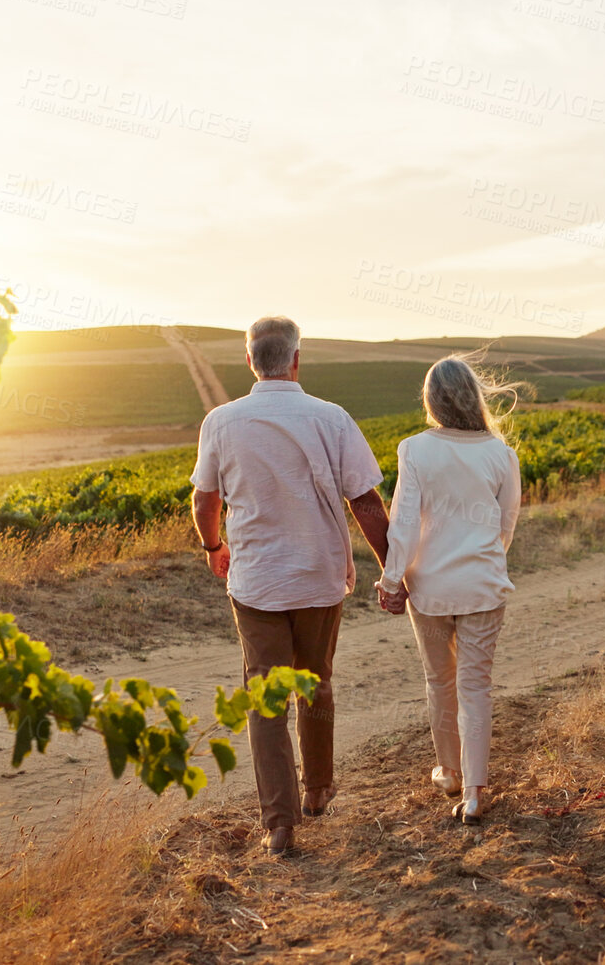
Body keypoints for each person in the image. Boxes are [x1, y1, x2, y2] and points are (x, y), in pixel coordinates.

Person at [190, 316, 391, 854]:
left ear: (250, 361)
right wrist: (391, 568)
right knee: (316, 681)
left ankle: (279, 824)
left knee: (266, 698)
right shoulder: (332, 418)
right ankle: (318, 788)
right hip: (319, 577)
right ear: (296, 359)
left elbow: (205, 499)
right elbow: (366, 502)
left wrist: (213, 546)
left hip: (256, 582)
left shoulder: (221, 422)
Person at [374, 356, 523, 824]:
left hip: (430, 588)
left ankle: (450, 772)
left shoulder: (414, 449)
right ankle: (475, 793)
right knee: (475, 685)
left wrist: (391, 580)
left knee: (440, 679)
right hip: (483, 586)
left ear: (431, 401)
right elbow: (506, 526)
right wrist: (482, 559)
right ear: (474, 397)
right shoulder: (501, 454)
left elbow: (403, 523)